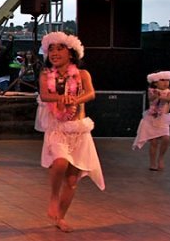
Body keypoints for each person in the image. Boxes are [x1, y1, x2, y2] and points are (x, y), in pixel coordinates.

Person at [38, 32, 104, 233]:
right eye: (51, 49)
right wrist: (59, 98)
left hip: (78, 130)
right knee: (60, 162)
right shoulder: (45, 75)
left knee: (73, 180)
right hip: (57, 129)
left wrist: (75, 100)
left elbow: (91, 93)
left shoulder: (82, 75)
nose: (54, 53)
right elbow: (44, 94)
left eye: (60, 48)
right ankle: (53, 197)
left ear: (72, 53)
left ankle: (61, 217)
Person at [132, 71, 170, 171]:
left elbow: (167, 99)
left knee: (166, 138)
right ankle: (153, 163)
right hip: (151, 118)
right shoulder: (151, 90)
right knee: (154, 142)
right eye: (163, 80)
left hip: (163, 119)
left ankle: (161, 158)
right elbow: (151, 98)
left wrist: (159, 95)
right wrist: (155, 95)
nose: (166, 83)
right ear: (155, 82)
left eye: (168, 80)